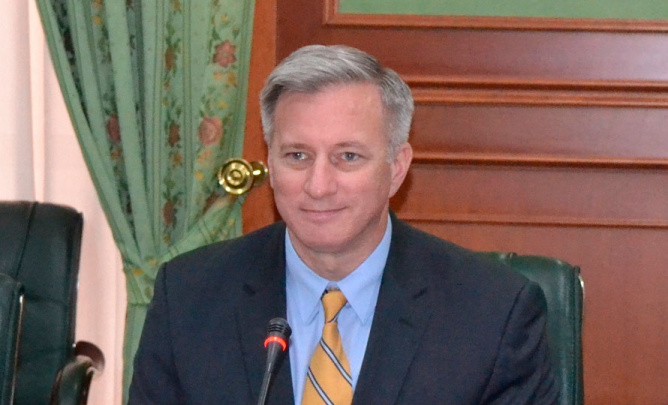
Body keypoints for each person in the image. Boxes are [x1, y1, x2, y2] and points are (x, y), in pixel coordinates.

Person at [128, 44, 558, 404]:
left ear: (396, 168)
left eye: (347, 157)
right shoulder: (188, 299)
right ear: (270, 164)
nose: (318, 186)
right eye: (297, 156)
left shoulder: (492, 313)